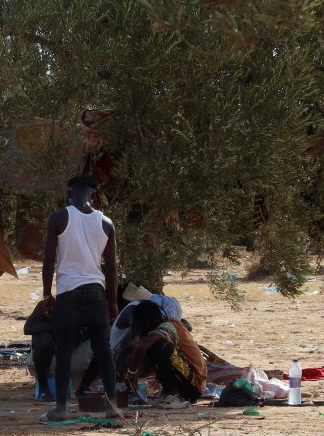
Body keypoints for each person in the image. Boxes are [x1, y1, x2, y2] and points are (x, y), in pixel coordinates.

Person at [41, 175, 119, 421]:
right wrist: (113, 300)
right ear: (94, 195)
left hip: (69, 293)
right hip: (96, 293)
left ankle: (62, 408)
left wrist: (46, 294)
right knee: (104, 351)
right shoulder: (106, 223)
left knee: (63, 350)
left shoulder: (59, 217)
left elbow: (49, 261)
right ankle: (112, 406)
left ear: (70, 194)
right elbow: (112, 268)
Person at [125, 300, 207, 407]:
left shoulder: (168, 326)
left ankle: (173, 394)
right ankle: (168, 394)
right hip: (188, 384)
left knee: (161, 347)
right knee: (154, 348)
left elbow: (141, 346)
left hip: (194, 385)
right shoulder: (160, 330)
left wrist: (131, 372)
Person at [23, 300, 92, 402]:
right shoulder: (48, 305)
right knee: (44, 340)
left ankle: (84, 387)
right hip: (48, 361)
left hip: (72, 359)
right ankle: (44, 388)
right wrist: (57, 327)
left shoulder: (89, 307)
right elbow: (28, 329)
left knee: (102, 342)